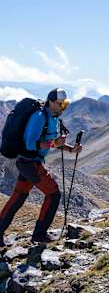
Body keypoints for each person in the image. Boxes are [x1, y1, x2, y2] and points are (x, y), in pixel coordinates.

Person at [0, 88, 82, 246]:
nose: (63, 108)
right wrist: (54, 143)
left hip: (31, 163)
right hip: (28, 162)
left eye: (65, 105)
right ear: (51, 102)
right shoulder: (39, 117)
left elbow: (56, 142)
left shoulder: (54, 118)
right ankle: (39, 234)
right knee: (53, 194)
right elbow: (30, 144)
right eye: (60, 104)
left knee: (18, 197)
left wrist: (71, 149)